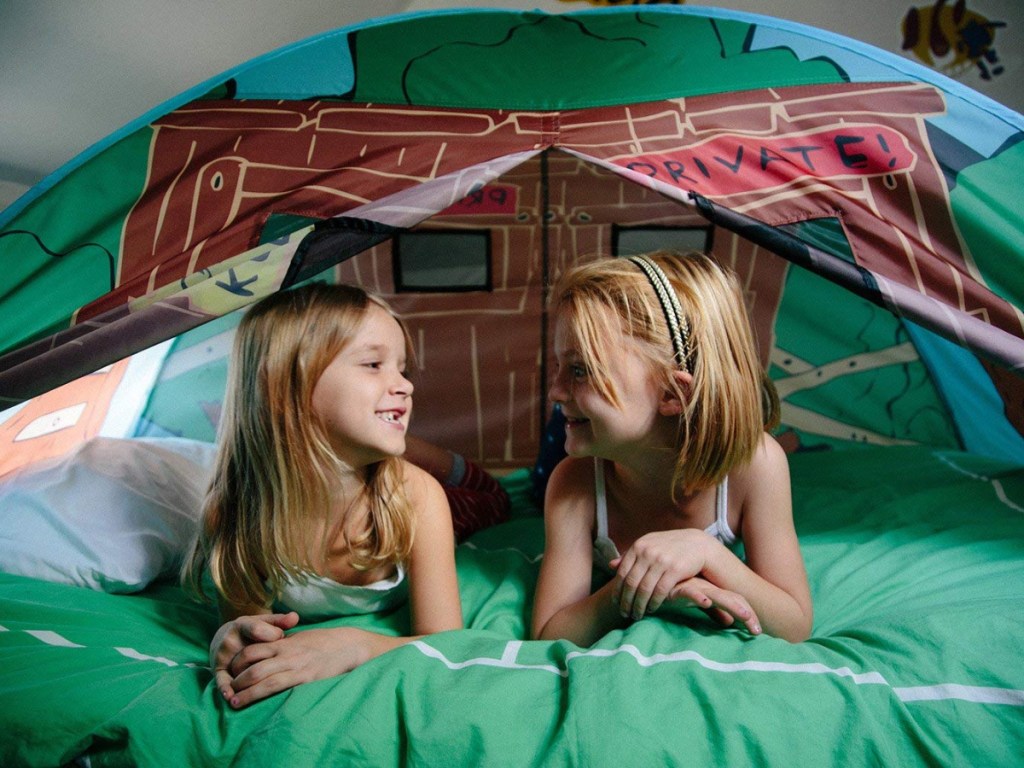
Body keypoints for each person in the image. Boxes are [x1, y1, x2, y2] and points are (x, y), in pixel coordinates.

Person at [183, 282, 472, 710]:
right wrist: (228, 641)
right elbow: (249, 633)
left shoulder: (419, 497)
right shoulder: (232, 514)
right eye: (374, 364)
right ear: (286, 387)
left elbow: (446, 642)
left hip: (460, 502)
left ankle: (464, 468)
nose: (406, 386)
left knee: (490, 496)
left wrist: (354, 646)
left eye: (403, 369)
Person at [531, 251, 813, 646]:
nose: (556, 391)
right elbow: (549, 634)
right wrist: (634, 589)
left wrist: (707, 553)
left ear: (671, 393)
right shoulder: (573, 483)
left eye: (581, 370)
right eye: (559, 368)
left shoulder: (757, 465)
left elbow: (795, 623)